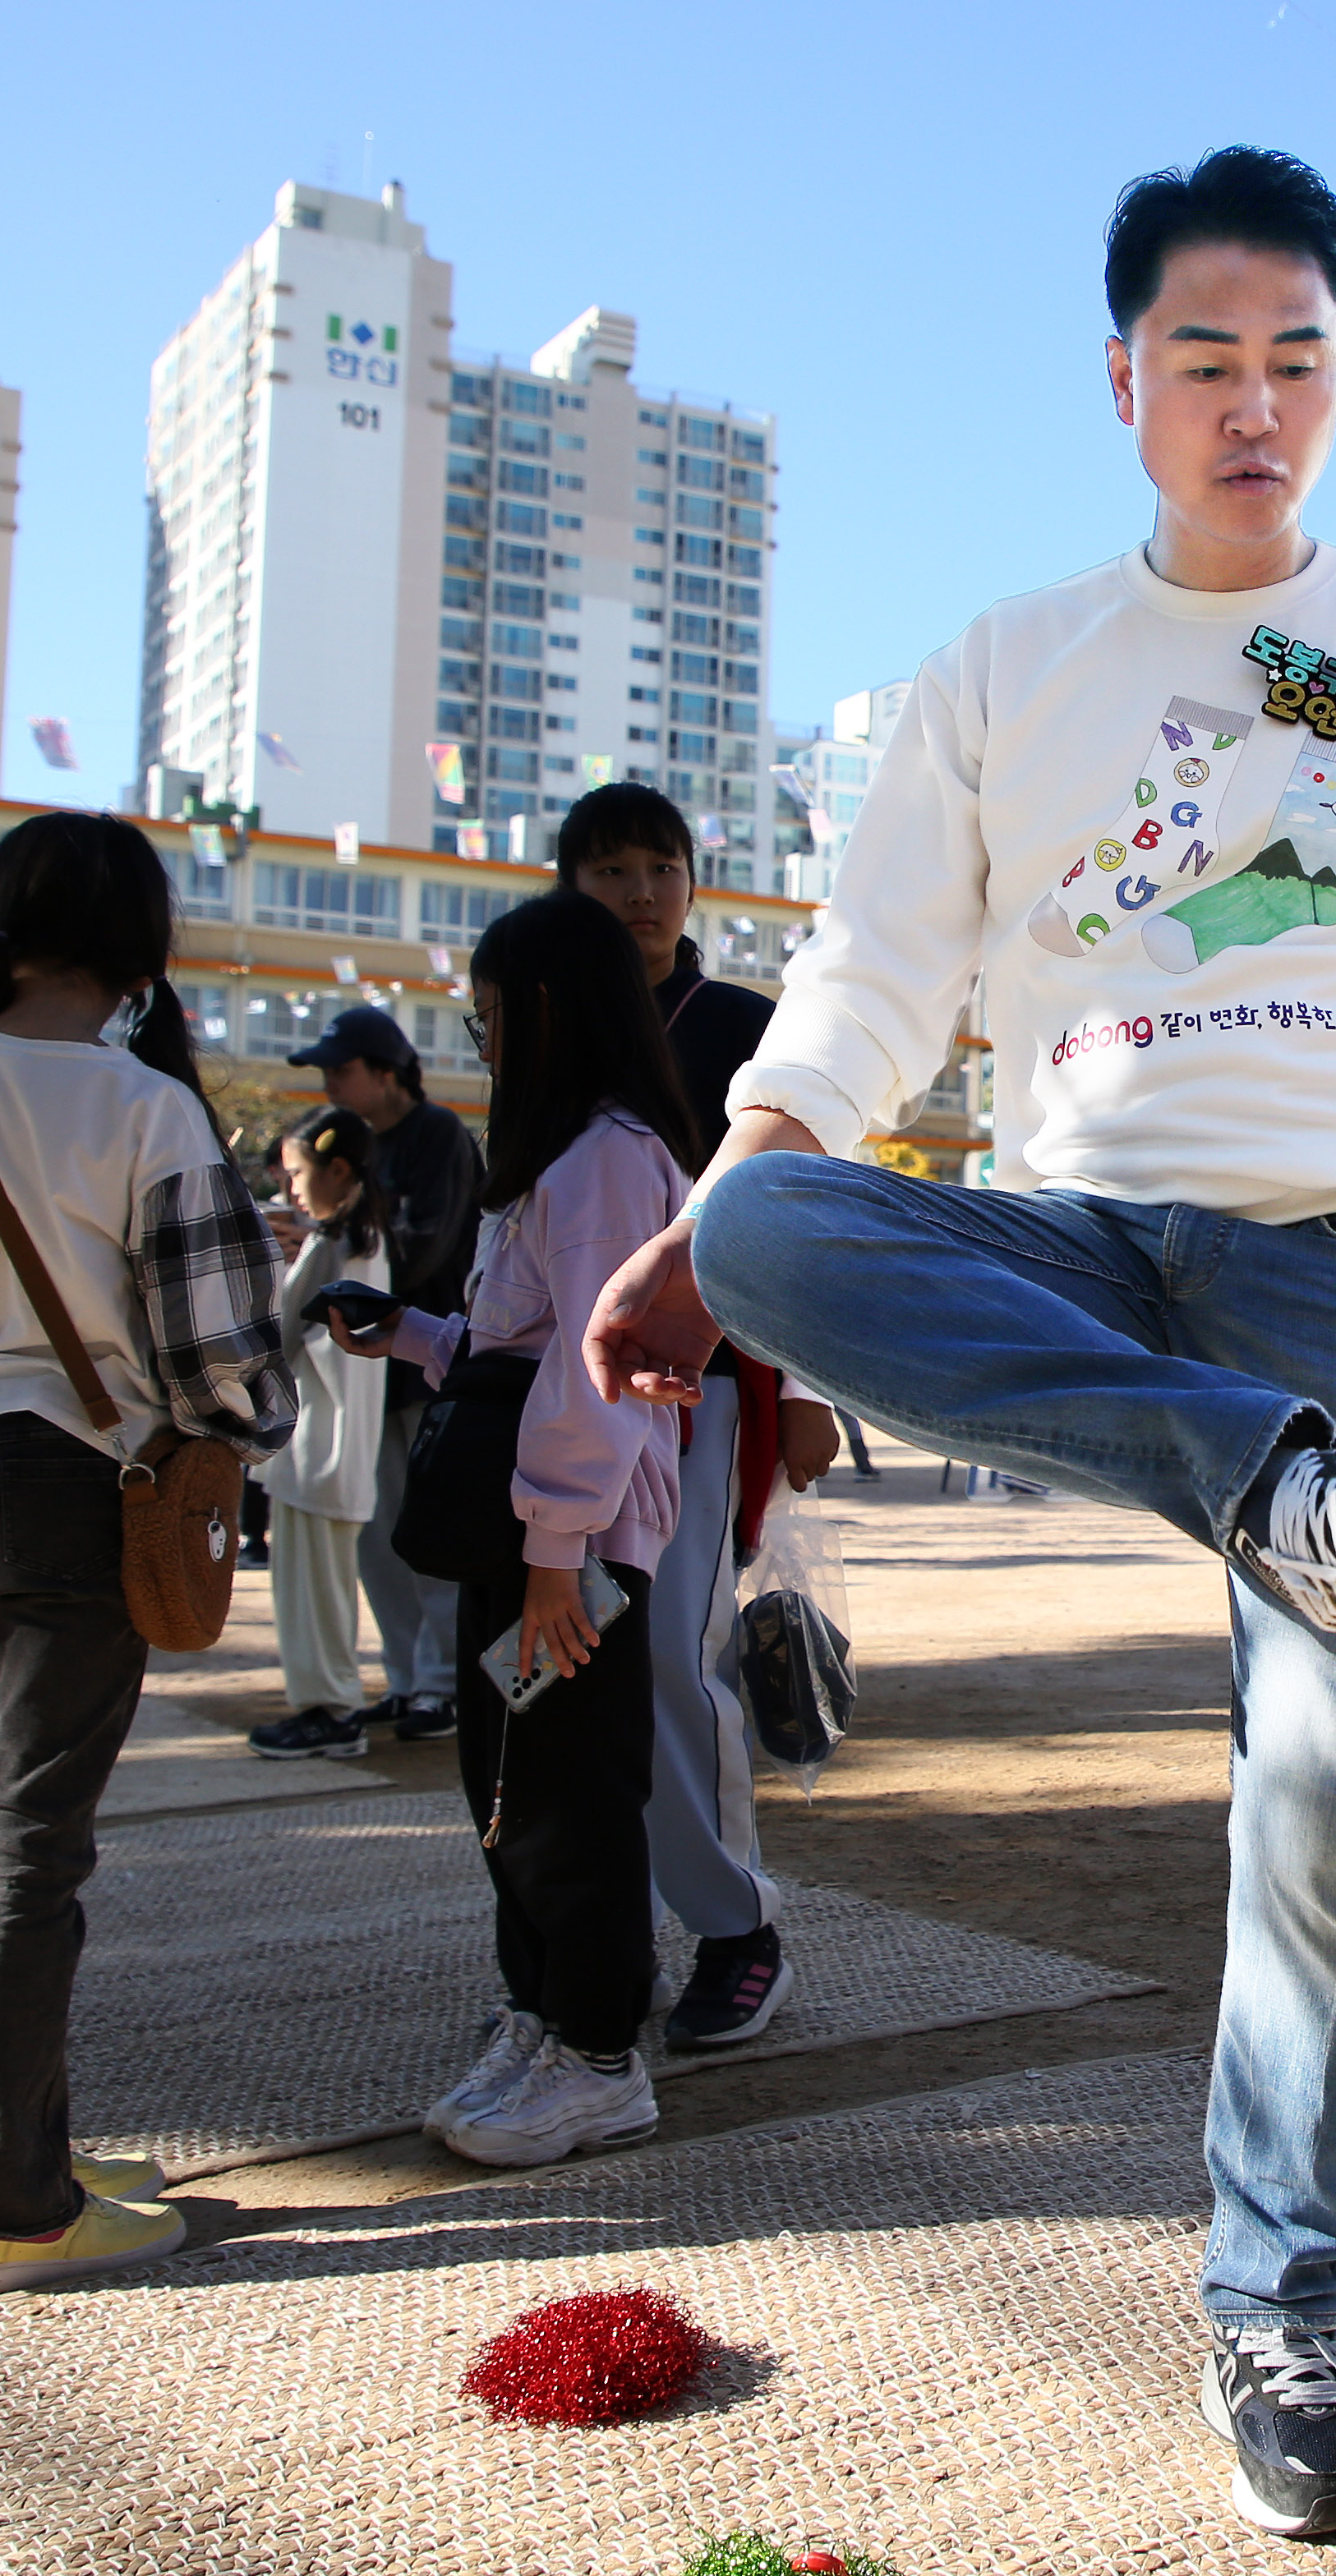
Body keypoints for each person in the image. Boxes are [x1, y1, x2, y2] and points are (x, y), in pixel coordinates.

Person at [579, 147, 1336, 2543]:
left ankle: (1277, 2301)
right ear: (1124, 383)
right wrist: (713, 1219)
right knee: (766, 1221)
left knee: (1322, 1793)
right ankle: (1274, 1469)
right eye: (1206, 355)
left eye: (1298, 354)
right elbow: (873, 978)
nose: (1254, 397)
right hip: (1075, 1237)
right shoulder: (1001, 667)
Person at [0, 811, 294, 2297]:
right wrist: (242, 1427)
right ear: (137, 949)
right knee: (32, 1842)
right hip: (79, 1486)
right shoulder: (147, 1111)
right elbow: (225, 1365)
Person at [342, 891, 698, 2164]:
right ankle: (545, 2013)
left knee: (568, 1792)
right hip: (545, 1541)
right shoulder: (564, 1161)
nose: (479, 1043)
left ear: (540, 1011)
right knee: (510, 1783)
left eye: (485, 1017)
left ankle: (599, 2052)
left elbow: (588, 1384)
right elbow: (520, 1351)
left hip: (578, 1550)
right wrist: (412, 1334)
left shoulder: (603, 1157)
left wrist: (555, 1556)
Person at [551, 780, 829, 2054]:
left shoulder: (741, 1027)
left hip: (702, 1390)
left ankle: (737, 1930)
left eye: (660, 867)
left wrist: (817, 1386)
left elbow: (816, 1211)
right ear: (572, 888)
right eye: (611, 871)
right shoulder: (548, 1023)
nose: (641, 893)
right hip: (557, 1391)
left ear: (692, 883)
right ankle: (573, 1942)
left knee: (672, 1653)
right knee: (556, 1672)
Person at [291, 1004, 481, 1747]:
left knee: (426, 1527)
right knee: (378, 1533)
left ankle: (442, 1685)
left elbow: (428, 1248)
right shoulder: (362, 1142)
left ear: (385, 1071)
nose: (333, 1084)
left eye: (342, 1070)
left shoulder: (435, 1135)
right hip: (369, 1367)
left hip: (425, 1355)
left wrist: (346, 1254)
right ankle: (408, 1680)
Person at [247, 1112, 393, 1755]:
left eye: (300, 1172)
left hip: (326, 1441)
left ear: (339, 1170)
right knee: (308, 1586)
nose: (291, 1185)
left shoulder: (355, 1245)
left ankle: (331, 1709)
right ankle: (323, 1704)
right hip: (314, 1440)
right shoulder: (338, 1237)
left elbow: (336, 1347)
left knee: (319, 1591)